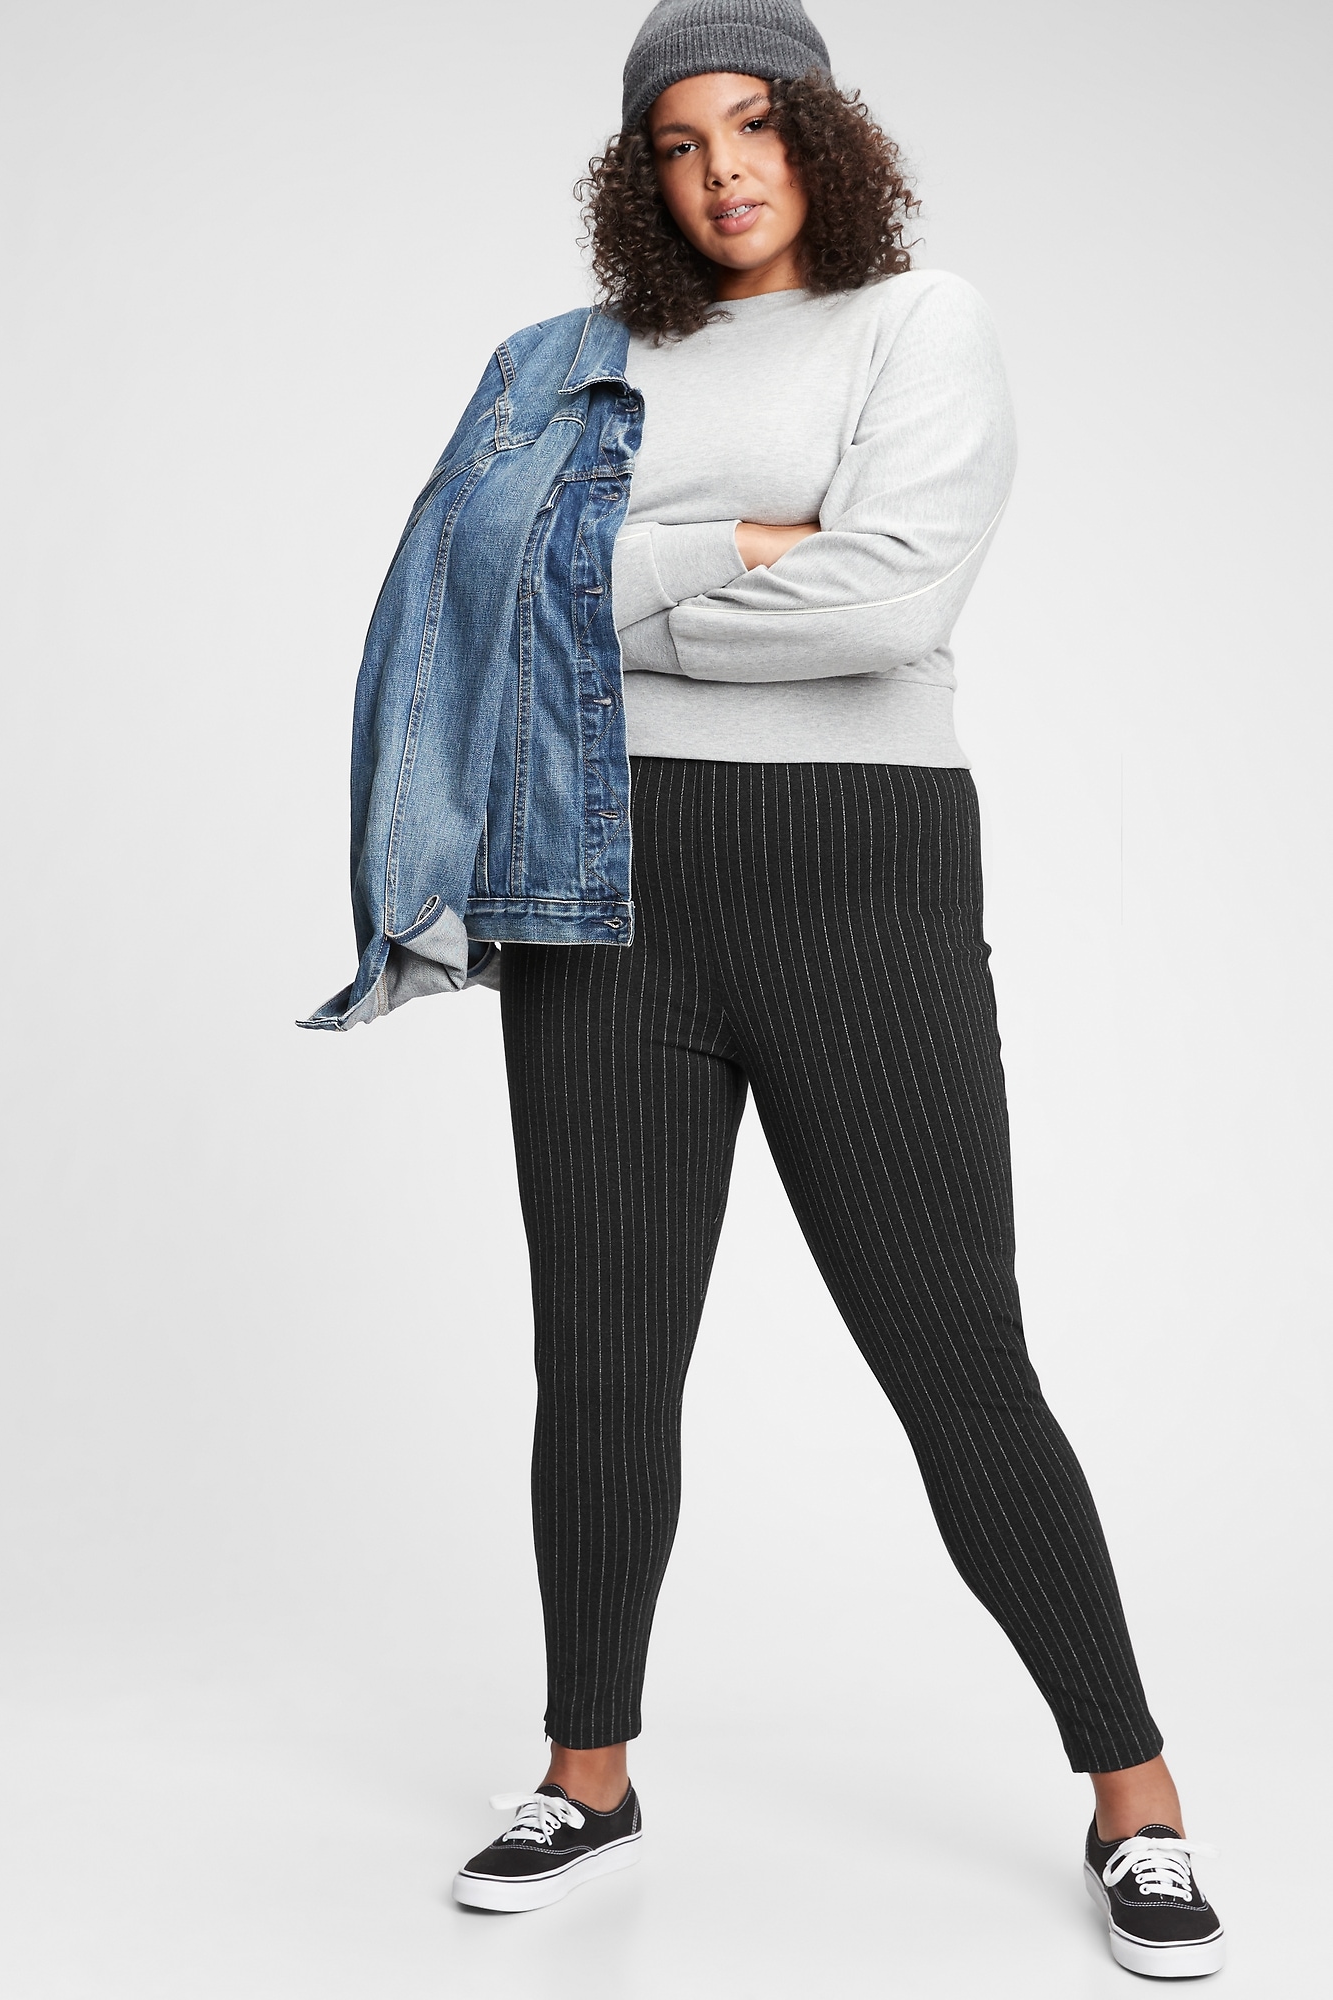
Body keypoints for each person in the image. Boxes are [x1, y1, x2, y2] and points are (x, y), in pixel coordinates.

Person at [319, 0, 1225, 1977]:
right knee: (604, 1356)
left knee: (955, 1355)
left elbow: (895, 594)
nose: (722, 169)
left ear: (825, 133)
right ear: (635, 171)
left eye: (756, 124)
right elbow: (469, 607)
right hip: (601, 880)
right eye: (677, 140)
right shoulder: (564, 363)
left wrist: (610, 587)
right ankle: (587, 1771)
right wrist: (737, 547)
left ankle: (1137, 1794)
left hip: (858, 882)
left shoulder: (919, 323)